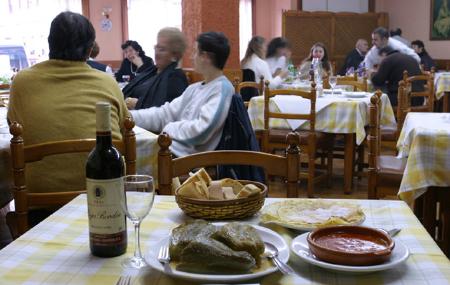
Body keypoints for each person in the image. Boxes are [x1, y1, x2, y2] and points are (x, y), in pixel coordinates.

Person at [7, 12, 129, 194]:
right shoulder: (107, 82)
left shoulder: (21, 82)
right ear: (90, 50)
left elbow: (14, 125)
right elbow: (126, 127)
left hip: (41, 199)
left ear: (49, 44)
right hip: (105, 194)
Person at [130, 31, 234, 157]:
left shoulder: (222, 89)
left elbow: (202, 132)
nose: (192, 57)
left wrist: (169, 128)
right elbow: (165, 114)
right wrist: (129, 116)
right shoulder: (194, 89)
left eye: (195, 52)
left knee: (130, 155)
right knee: (127, 147)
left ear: (205, 57)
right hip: (172, 149)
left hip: (190, 158)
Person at [123, 27, 188, 110]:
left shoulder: (175, 78)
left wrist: (137, 104)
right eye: (156, 47)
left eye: (162, 49)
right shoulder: (152, 71)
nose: (156, 52)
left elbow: (166, 112)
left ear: (174, 55)